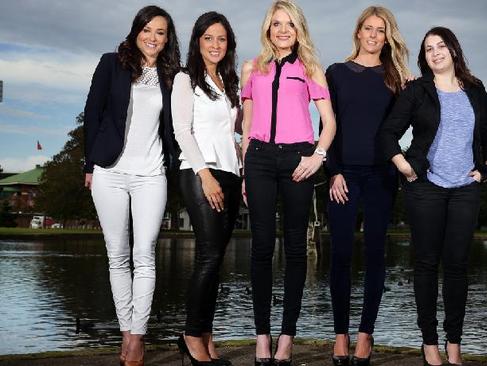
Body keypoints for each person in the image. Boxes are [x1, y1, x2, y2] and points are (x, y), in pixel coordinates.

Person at [379, 26, 487, 366]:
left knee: (458, 267)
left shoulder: (476, 90)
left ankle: (454, 345)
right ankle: (429, 344)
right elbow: (388, 133)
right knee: (427, 265)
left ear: (454, 51)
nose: (435, 52)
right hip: (426, 187)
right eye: (429, 48)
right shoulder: (417, 91)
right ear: (424, 57)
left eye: (441, 46)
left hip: (465, 189)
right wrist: (403, 165)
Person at [239, 1, 336, 364]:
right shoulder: (252, 67)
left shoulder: (311, 68)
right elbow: (247, 125)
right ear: (268, 28)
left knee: (296, 249)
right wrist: (246, 168)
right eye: (277, 23)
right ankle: (262, 336)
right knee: (261, 248)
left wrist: (317, 157)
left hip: (298, 159)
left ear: (299, 30)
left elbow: (329, 122)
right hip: (260, 158)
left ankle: (287, 338)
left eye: (290, 25)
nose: (283, 30)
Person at [82, 5, 180, 366]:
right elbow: (92, 114)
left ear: (167, 39)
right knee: (117, 255)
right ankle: (126, 330)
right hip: (109, 170)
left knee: (145, 256)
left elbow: (180, 123)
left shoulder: (173, 75)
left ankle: (137, 338)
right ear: (136, 30)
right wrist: (89, 164)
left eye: (160, 32)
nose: (153, 38)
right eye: (147, 30)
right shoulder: (112, 64)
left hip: (152, 175)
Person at [324, 6, 410, 366]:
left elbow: (402, 126)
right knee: (341, 255)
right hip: (343, 174)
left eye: (381, 30)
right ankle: (341, 335)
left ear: (387, 37)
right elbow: (327, 126)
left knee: (376, 255)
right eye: (369, 29)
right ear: (358, 32)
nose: (374, 35)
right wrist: (332, 170)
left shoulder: (397, 80)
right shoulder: (336, 73)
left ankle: (365, 335)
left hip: (381, 176)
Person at [171, 11, 241, 366]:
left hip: (230, 172)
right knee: (209, 256)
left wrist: (240, 164)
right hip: (202, 173)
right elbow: (182, 130)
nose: (215, 45)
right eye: (209, 37)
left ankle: (206, 335)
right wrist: (205, 174)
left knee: (214, 262)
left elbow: (233, 132)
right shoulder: (186, 80)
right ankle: (190, 335)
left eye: (222, 39)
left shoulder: (230, 81)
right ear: (197, 41)